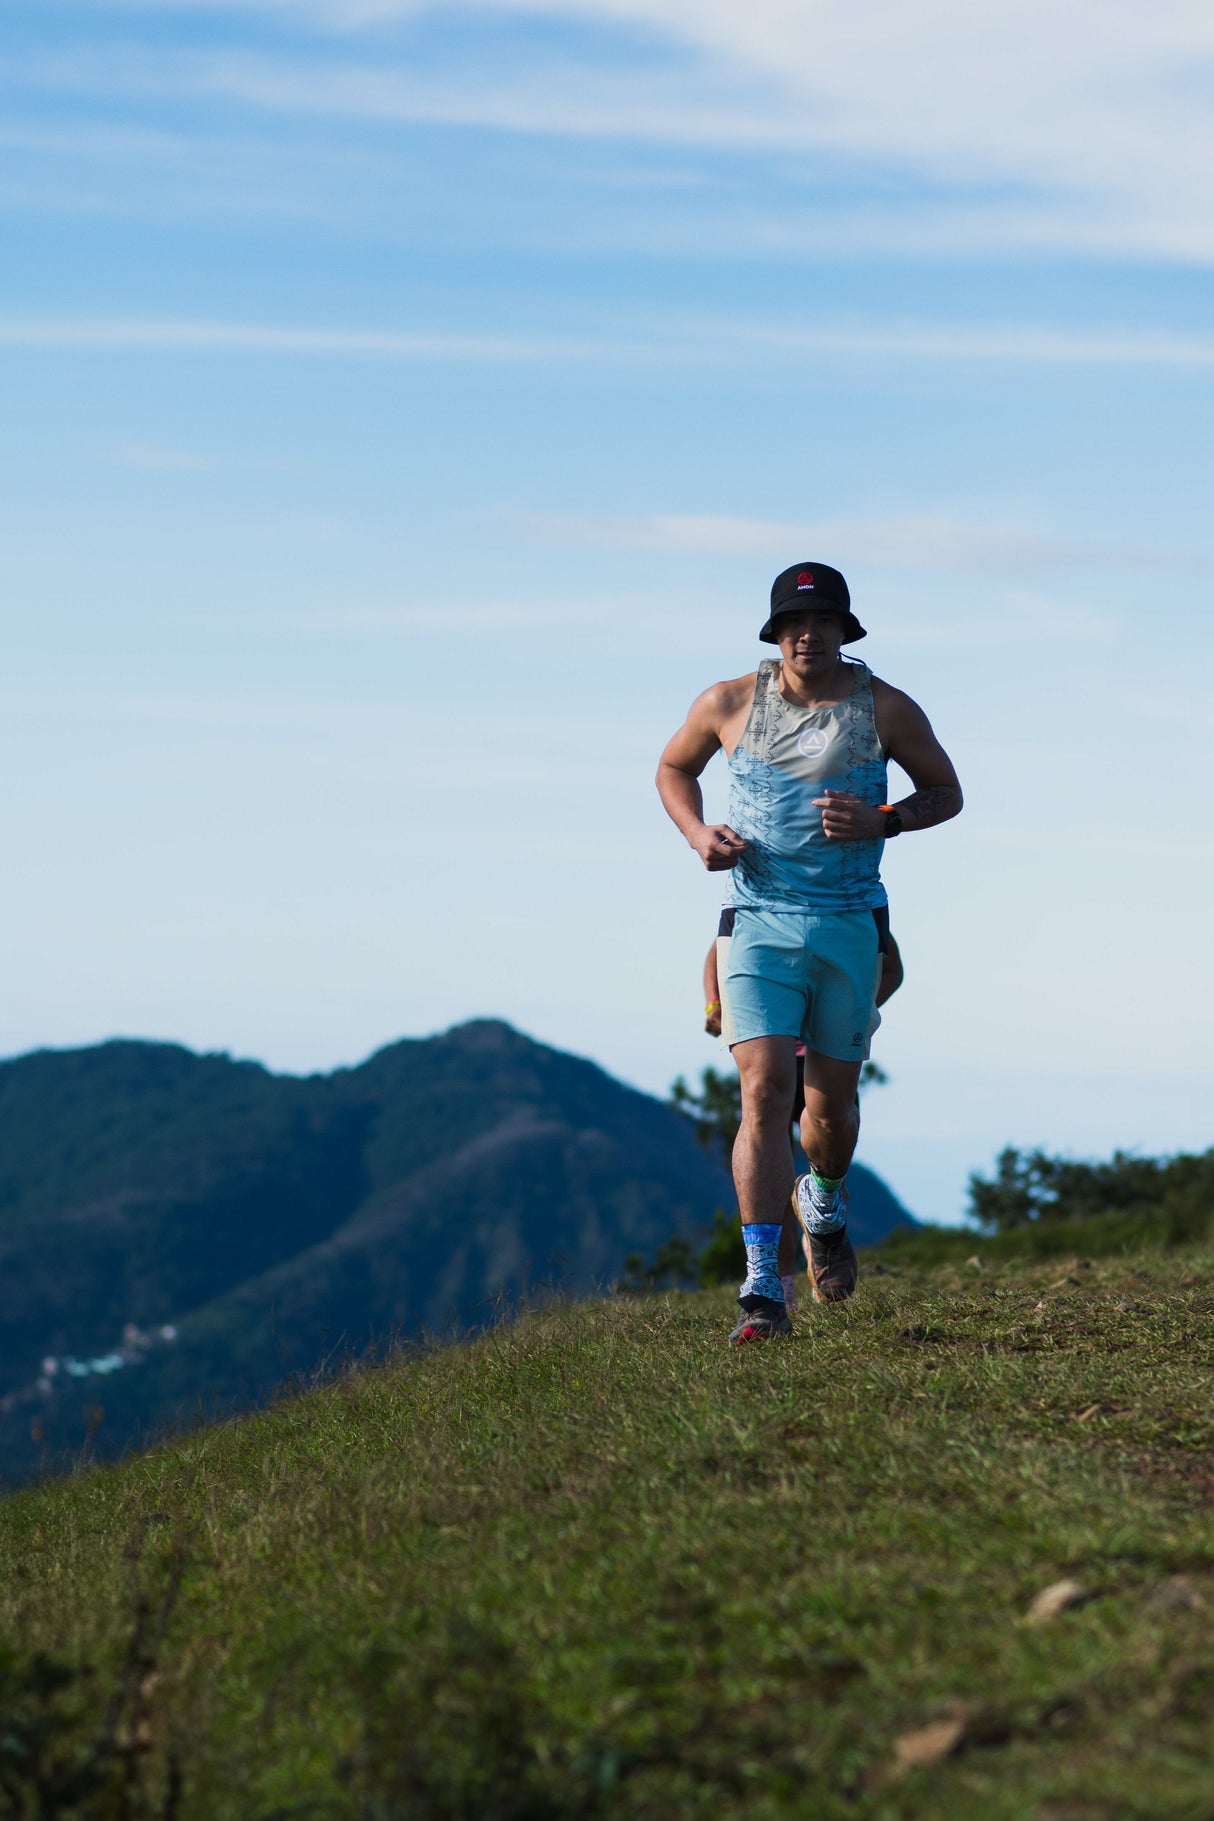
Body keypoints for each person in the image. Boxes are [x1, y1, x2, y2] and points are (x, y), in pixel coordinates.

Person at [656, 561, 962, 1343]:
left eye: (825, 622)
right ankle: (762, 1287)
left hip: (848, 922)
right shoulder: (728, 703)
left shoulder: (884, 707)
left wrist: (883, 821)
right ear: (775, 633)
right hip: (756, 920)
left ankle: (822, 1201)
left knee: (829, 1107)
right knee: (762, 1094)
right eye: (796, 623)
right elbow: (673, 768)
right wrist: (699, 835)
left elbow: (946, 792)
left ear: (844, 630)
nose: (809, 634)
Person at [701, 930, 903, 1308]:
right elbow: (718, 950)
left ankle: (822, 1249)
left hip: (825, 1057)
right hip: (775, 1056)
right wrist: (714, 1004)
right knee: (772, 1184)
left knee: (829, 1162)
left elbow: (892, 968)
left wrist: (849, 1012)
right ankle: (780, 1288)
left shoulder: (844, 901)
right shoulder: (758, 906)